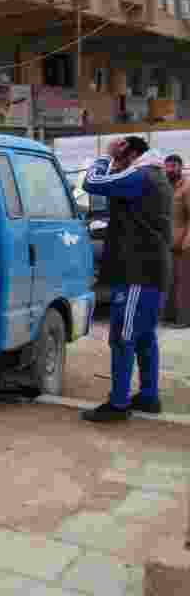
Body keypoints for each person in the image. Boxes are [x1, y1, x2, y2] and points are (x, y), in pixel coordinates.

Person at [81, 135, 173, 421]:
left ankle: (118, 404)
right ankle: (148, 397)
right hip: (152, 271)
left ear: (130, 154)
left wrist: (106, 156)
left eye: (120, 161)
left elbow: (92, 183)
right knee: (144, 338)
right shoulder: (156, 176)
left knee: (122, 338)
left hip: (138, 272)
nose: (116, 167)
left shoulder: (140, 175)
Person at [163, 154, 190, 329]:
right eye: (167, 166)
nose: (170, 170)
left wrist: (186, 242)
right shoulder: (166, 187)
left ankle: (184, 319)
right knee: (170, 282)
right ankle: (170, 317)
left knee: (184, 284)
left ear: (181, 167)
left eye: (173, 166)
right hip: (168, 244)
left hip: (184, 245)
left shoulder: (187, 187)